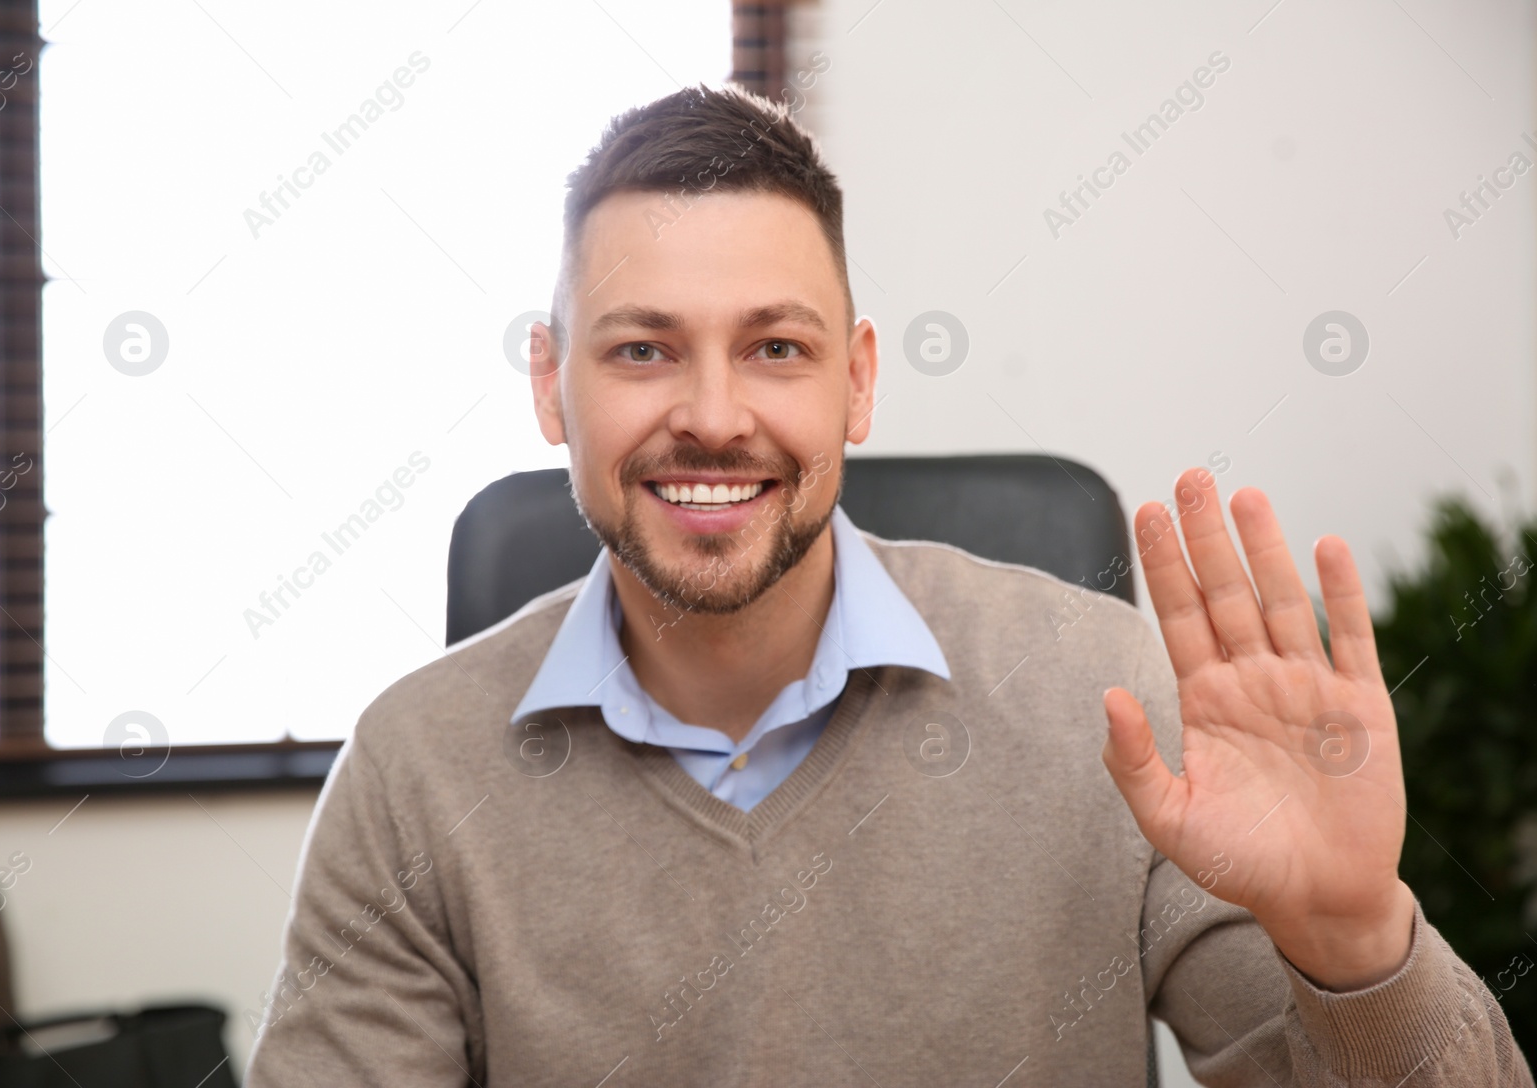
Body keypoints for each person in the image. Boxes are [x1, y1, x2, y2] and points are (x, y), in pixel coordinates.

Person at [243, 83, 1533, 1086]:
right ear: (549, 385)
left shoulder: (1108, 702)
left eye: (775, 348)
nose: (710, 415)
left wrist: (1358, 939)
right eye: (642, 350)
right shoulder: (412, 772)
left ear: (856, 380)